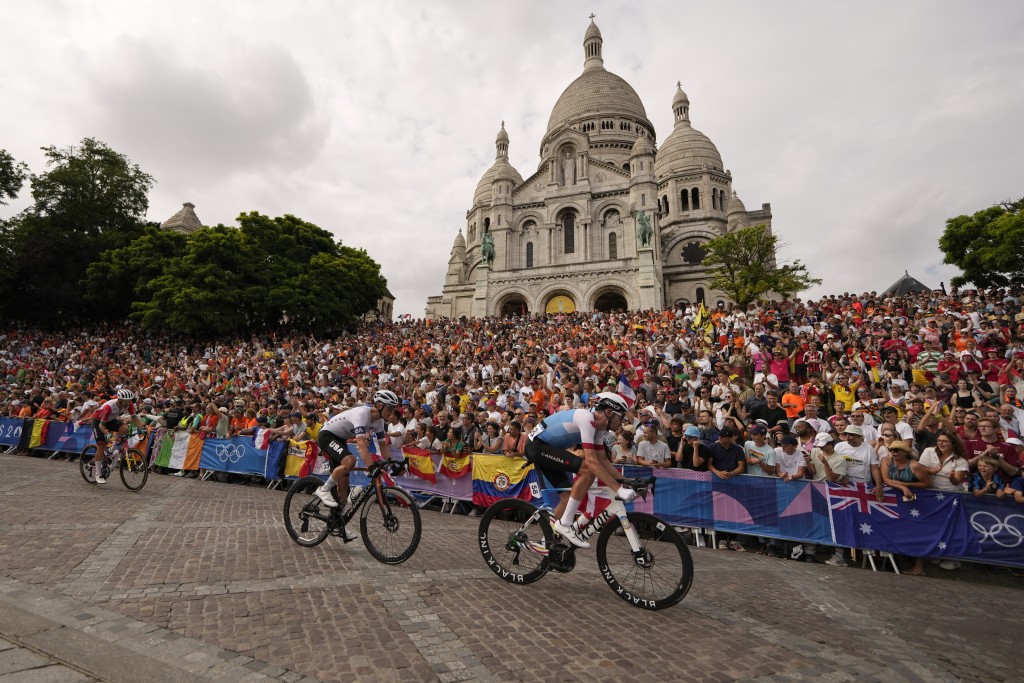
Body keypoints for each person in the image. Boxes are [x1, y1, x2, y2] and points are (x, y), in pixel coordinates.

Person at [523, 392, 635, 549]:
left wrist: (625, 481)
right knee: (587, 471)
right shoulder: (586, 418)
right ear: (609, 412)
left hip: (547, 448)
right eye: (621, 416)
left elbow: (603, 460)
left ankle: (545, 542)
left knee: (567, 497)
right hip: (537, 446)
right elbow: (591, 461)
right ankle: (566, 524)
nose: (622, 421)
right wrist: (618, 489)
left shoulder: (599, 427)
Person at [312, 390, 400, 541]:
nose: (391, 413)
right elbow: (360, 444)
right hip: (326, 435)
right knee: (350, 461)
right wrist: (371, 467)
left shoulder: (379, 422)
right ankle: (323, 489)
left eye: (393, 410)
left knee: (344, 485)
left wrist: (392, 464)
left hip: (340, 439)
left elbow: (383, 445)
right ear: (379, 405)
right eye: (390, 409)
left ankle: (339, 524)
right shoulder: (362, 414)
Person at [89, 389, 146, 484]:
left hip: (110, 420)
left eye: (129, 401)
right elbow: (101, 425)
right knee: (101, 445)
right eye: (125, 402)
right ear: (119, 400)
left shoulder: (129, 404)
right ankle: (98, 474)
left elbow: (134, 417)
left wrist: (141, 429)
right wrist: (107, 434)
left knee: (125, 429)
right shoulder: (109, 406)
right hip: (98, 421)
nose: (127, 404)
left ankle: (112, 450)